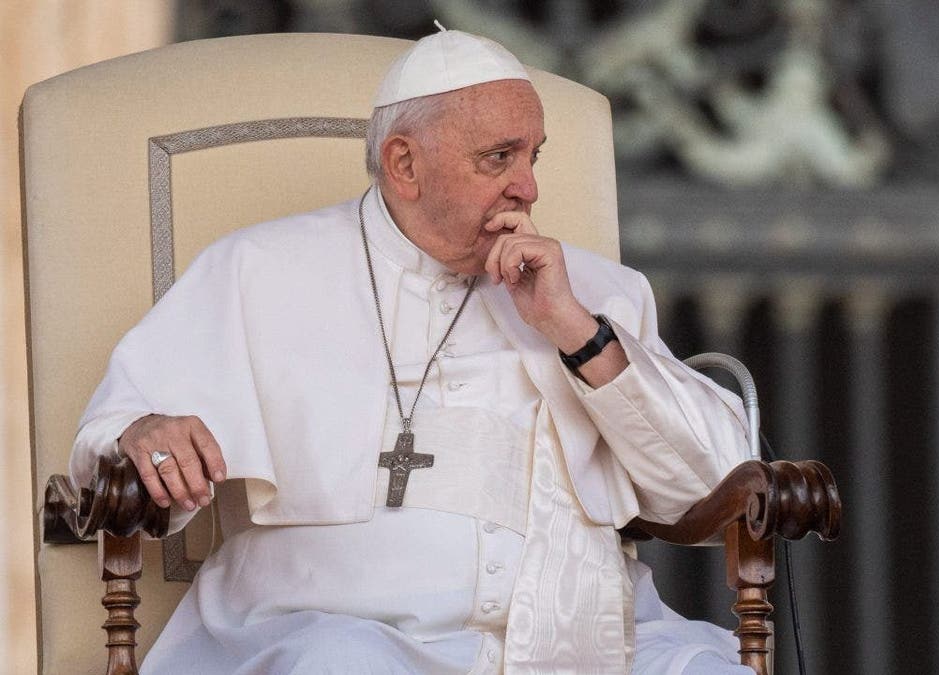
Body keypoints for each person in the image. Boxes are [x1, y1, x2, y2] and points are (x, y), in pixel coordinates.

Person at [70, 27, 753, 674]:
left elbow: (718, 480)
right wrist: (145, 433)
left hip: (581, 642)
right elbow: (116, 429)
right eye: (499, 158)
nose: (530, 187)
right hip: (338, 636)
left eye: (532, 156)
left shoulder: (596, 291)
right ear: (404, 164)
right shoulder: (258, 270)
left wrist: (577, 332)